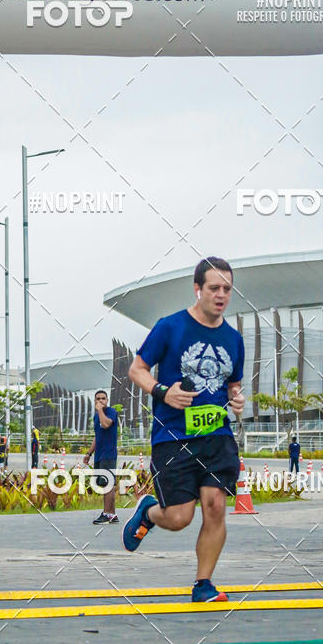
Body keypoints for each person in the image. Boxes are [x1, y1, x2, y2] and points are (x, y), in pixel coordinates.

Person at [123, 256, 245, 603]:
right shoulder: (170, 327)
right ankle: (149, 511)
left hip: (217, 435)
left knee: (215, 505)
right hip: (173, 435)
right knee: (179, 518)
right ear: (197, 289)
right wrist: (163, 392)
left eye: (227, 289)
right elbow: (137, 369)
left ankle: (203, 584)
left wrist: (237, 399)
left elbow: (232, 384)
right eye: (214, 288)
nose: (221, 295)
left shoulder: (234, 339)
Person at [84, 390, 119, 524]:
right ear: (95, 401)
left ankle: (106, 514)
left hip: (108, 454)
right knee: (105, 485)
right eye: (98, 399)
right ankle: (112, 514)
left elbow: (106, 424)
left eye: (103, 398)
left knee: (107, 484)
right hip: (99, 455)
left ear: (107, 400)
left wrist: (100, 410)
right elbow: (97, 436)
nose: (101, 401)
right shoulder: (96, 417)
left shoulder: (111, 412)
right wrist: (89, 453)